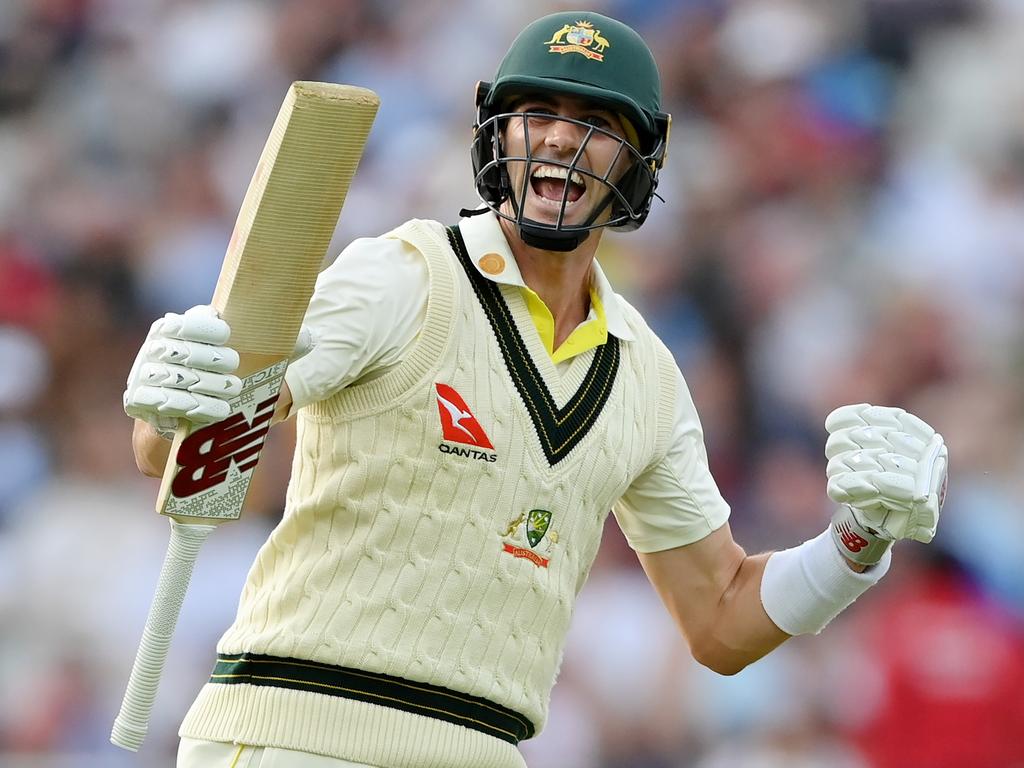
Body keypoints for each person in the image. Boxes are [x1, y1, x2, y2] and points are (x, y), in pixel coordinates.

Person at [123, 11, 948, 768]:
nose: (559, 140)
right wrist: (176, 407)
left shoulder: (646, 375)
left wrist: (855, 543)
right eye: (539, 115)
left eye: (594, 125)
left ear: (642, 160)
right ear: (497, 132)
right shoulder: (403, 275)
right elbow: (200, 447)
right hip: (299, 731)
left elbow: (722, 618)